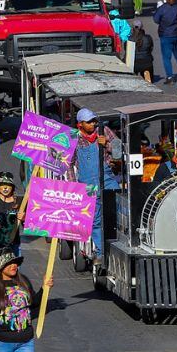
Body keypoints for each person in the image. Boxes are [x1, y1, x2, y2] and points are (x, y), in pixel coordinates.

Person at [74, 108, 121, 267]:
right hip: (86, 184)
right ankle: (101, 253)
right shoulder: (74, 139)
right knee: (95, 220)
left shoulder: (104, 131)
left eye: (94, 120)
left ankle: (120, 244)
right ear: (80, 124)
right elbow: (68, 163)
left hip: (106, 178)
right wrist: (74, 186)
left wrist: (107, 144)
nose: (93, 124)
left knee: (119, 207)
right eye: (89, 122)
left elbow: (119, 153)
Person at [153, 0, 177, 84]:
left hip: (166, 35)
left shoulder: (162, 9)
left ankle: (170, 77)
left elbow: (156, 20)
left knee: (166, 57)